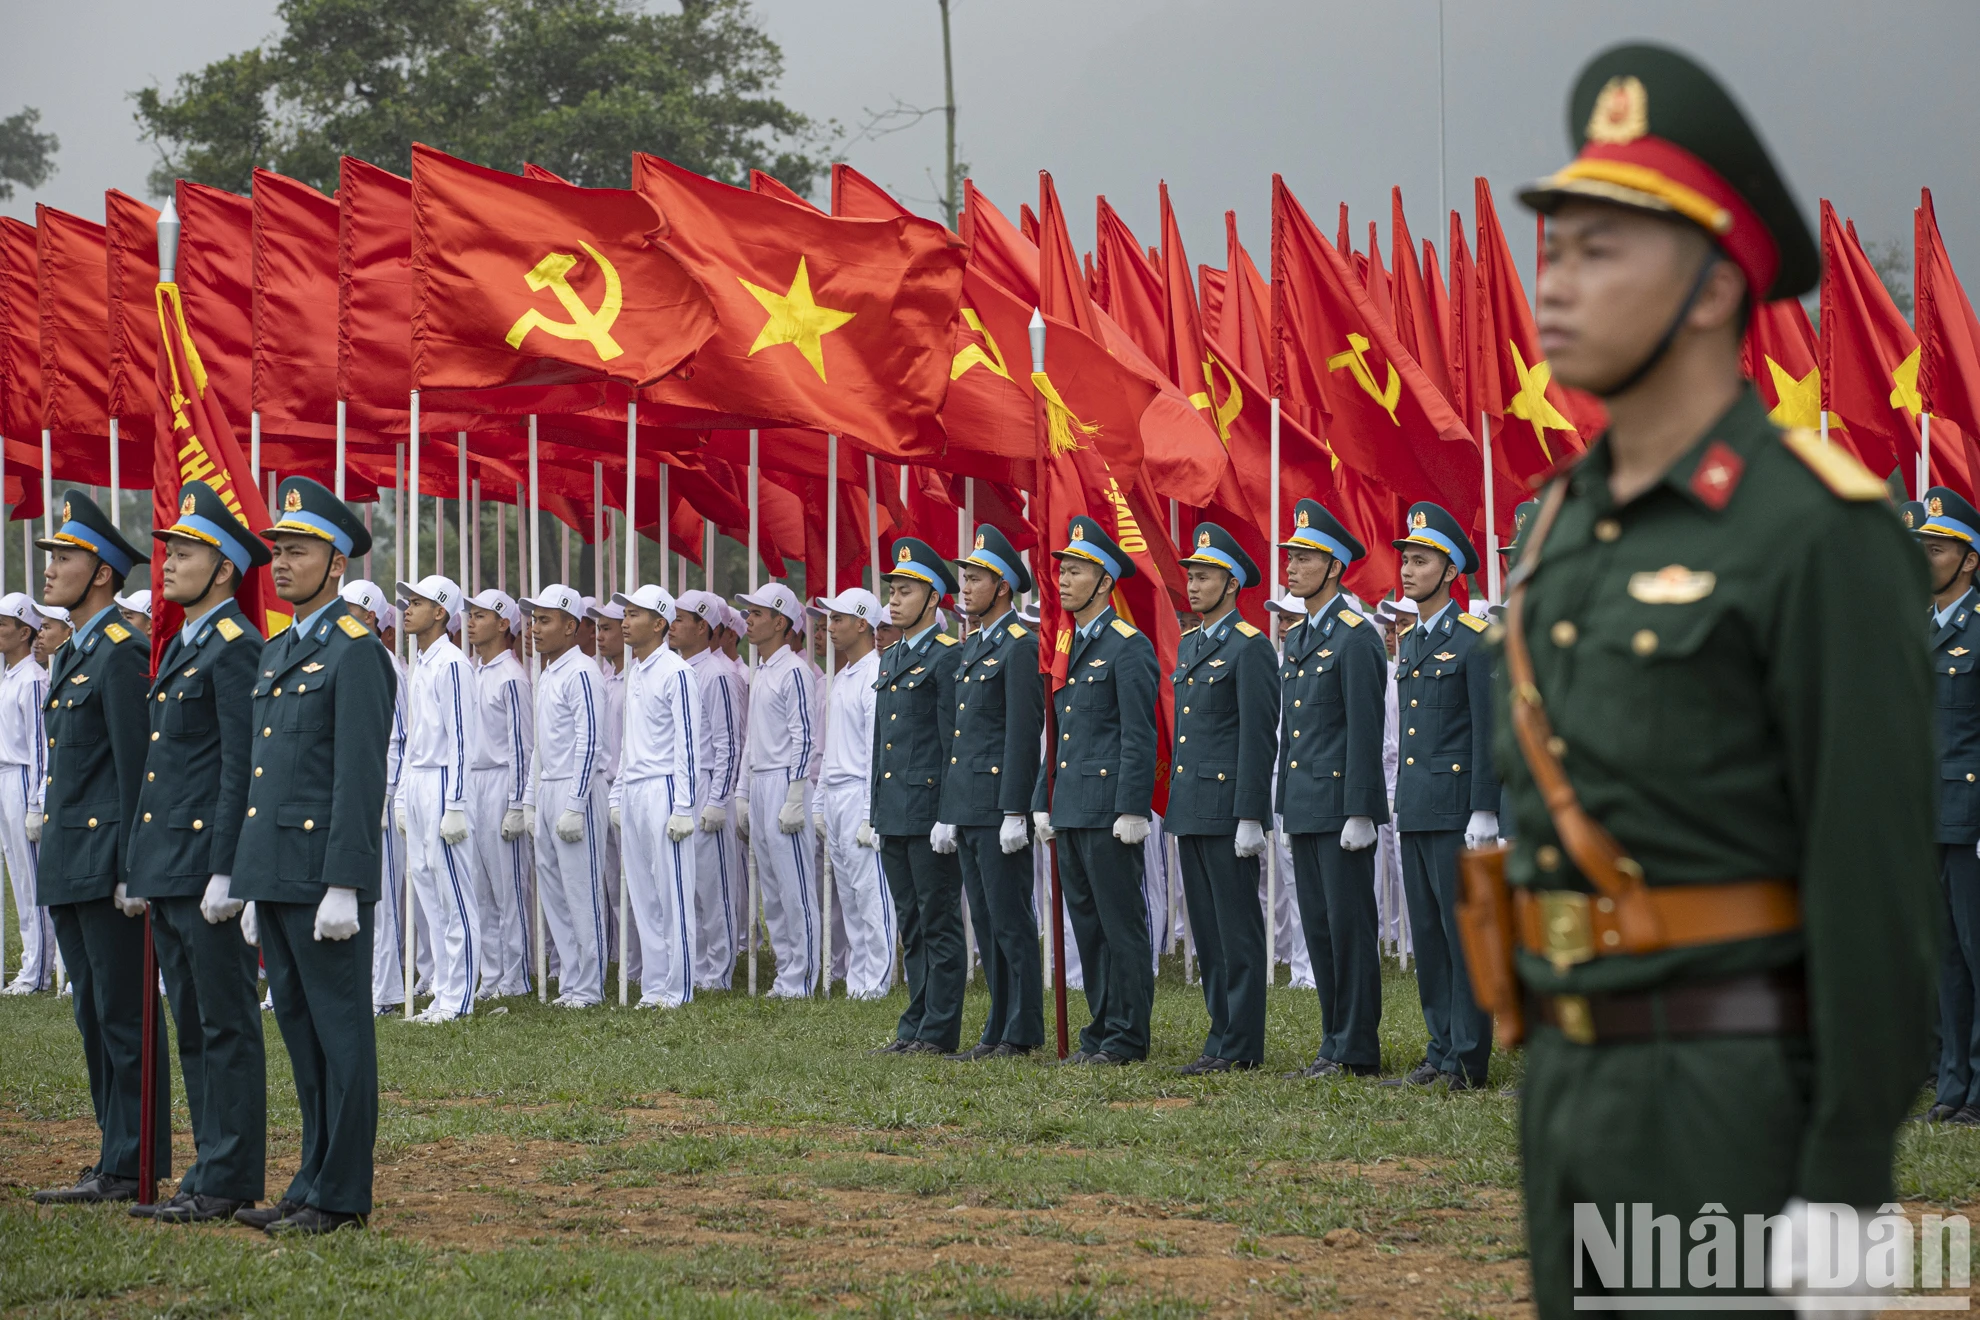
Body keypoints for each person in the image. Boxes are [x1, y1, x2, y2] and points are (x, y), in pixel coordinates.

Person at [1503, 44, 1937, 1313]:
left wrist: (1848, 1183)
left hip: (1731, 1099)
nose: (1555, 284)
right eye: (1553, 247)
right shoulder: (1557, 526)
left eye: (1600, 251)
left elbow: (1872, 878)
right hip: (1571, 1088)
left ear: (1710, 286)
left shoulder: (1816, 531)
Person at [232, 477, 393, 1235]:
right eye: (279, 552)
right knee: (300, 1037)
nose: (283, 564)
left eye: (298, 552)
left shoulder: (355, 650)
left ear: (336, 564)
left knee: (340, 1037)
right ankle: (308, 1181)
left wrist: (345, 885)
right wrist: (251, 881)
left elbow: (358, 777)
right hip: (280, 875)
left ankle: (342, 1194)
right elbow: (266, 777)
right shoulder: (278, 649)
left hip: (323, 877)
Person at [121, 481, 269, 1223]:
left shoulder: (236, 649)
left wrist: (227, 868)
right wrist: (142, 864)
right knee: (191, 1023)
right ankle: (208, 1167)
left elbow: (240, 765)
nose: (167, 563)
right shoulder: (184, 643)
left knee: (225, 1022)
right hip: (170, 865)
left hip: (203, 867)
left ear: (222, 569)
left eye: (184, 552)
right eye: (169, 550)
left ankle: (231, 1174)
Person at [28, 492, 165, 1206]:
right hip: (70, 862)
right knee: (93, 1014)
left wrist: (133, 866)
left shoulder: (120, 653)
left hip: (108, 864)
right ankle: (114, 1153)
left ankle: (133, 1161)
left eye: (66, 559)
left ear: (104, 574)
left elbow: (139, 766)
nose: (50, 571)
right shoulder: (74, 654)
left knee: (123, 1014)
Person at [1031, 516, 1159, 1065]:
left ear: (1105, 581)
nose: (1063, 578)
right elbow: (1059, 731)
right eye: (1063, 568)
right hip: (1073, 806)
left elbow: (1138, 734)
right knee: (1088, 927)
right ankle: (1102, 1028)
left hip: (1109, 810)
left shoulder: (1127, 647)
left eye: (1077, 570)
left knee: (1119, 925)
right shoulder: (1070, 642)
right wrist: (1043, 798)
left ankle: (1127, 1035)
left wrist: (1132, 808)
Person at [1275, 500, 1390, 1079]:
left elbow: (1365, 731)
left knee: (1349, 930)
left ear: (1335, 566)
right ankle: (1331, 1042)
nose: (1291, 566)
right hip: (1304, 806)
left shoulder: (1356, 637)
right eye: (1291, 556)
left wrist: (1361, 810)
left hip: (1342, 808)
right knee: (1318, 931)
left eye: (1305, 557)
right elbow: (1295, 733)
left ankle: (1357, 1047)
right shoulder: (1299, 638)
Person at [1385, 502, 1498, 1091]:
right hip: (1418, 806)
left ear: (1450, 571)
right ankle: (1440, 1048)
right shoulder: (1412, 640)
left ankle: (1469, 1058)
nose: (1407, 569)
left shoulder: (1475, 639)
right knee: (1428, 936)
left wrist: (1485, 806)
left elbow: (1486, 727)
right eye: (1405, 558)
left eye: (1421, 560)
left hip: (1457, 808)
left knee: (1462, 935)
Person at [1167, 523, 1279, 1075]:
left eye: (1204, 576)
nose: (1192, 584)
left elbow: (1258, 737)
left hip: (1228, 810)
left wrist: (1250, 815)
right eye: (1190, 575)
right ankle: (1219, 1035)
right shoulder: (1192, 643)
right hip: (1193, 807)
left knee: (1237, 931)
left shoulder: (1250, 648)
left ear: (1231, 584)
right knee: (1208, 934)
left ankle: (1242, 1043)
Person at [938, 526, 1045, 1059]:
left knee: (1010, 920)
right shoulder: (975, 644)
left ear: (1003, 586)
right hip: (970, 803)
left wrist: (1014, 810)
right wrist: (949, 809)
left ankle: (1022, 1028)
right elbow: (964, 733)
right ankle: (997, 1027)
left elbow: (1022, 735)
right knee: (985, 921)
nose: (965, 586)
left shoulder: (1020, 647)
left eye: (975, 578)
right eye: (964, 576)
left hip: (998, 805)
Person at [868, 541, 965, 1050]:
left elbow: (953, 741)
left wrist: (949, 814)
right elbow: (885, 744)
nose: (894, 600)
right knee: (911, 922)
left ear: (933, 599)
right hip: (894, 810)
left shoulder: (948, 657)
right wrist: (875, 811)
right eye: (892, 591)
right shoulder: (893, 657)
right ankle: (915, 1026)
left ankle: (940, 1028)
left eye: (906, 591)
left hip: (928, 811)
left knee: (938, 919)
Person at [393, 575, 482, 1022]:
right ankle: (444, 991)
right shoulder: (423, 662)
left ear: (441, 612)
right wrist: (406, 795)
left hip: (447, 779)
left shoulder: (450, 663)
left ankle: (460, 996)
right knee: (428, 887)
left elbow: (463, 738)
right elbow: (412, 740)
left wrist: (457, 804)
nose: (407, 609)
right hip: (423, 779)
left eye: (418, 602)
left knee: (455, 894)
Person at [609, 584, 701, 1008]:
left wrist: (684, 805)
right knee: (644, 895)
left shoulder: (677, 671)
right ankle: (654, 986)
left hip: (665, 788)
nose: (625, 622)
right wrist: (618, 790)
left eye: (634, 614)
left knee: (673, 894)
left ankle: (678, 989)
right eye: (625, 614)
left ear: (659, 623)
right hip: (636, 790)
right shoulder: (636, 672)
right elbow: (630, 741)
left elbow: (688, 744)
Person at [1921, 489, 1980, 1126]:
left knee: (1976, 949)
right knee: (1942, 956)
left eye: (1935, 548)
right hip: (1922, 817)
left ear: (1968, 561)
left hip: (1970, 818)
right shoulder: (1912, 624)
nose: (1923, 558)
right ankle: (1952, 1085)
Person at [733, 582, 823, 999]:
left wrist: (794, 796)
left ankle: (802, 976)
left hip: (788, 781)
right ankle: (786, 970)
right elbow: (752, 738)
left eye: (757, 614)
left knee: (795, 884)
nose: (748, 621)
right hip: (762, 779)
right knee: (771, 884)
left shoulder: (796, 671)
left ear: (781, 622)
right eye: (748, 613)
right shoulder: (764, 670)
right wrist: (743, 792)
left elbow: (804, 737)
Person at [518, 584, 606, 1008]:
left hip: (577, 789)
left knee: (582, 891)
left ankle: (589, 985)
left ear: (571, 626)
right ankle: (572, 980)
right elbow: (540, 744)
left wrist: (575, 804)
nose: (535, 628)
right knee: (555, 892)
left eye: (545, 619)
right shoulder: (549, 672)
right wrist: (531, 799)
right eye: (534, 620)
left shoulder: (583, 671)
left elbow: (589, 742)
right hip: (551, 786)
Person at [813, 587, 893, 1000]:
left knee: (870, 890)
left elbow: (874, 750)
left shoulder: (876, 674)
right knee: (848, 892)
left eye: (839, 618)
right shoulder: (842, 676)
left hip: (862, 791)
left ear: (863, 623)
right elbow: (831, 746)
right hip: (839, 793)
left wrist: (868, 812)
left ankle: (876, 980)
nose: (830, 626)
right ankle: (859, 978)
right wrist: (819, 801)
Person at [342, 580, 416, 1014]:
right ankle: (367, 982)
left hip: (381, 797)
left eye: (349, 609)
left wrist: (387, 793)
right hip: (355, 793)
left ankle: (386, 990)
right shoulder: (348, 658)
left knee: (384, 894)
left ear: (369, 615)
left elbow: (401, 737)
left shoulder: (386, 663)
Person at [672, 590, 744, 990]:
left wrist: (718, 800)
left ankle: (717, 971)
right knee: (689, 880)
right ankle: (697, 965)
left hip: (708, 781)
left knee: (713, 886)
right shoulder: (681, 668)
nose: (673, 626)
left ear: (703, 626)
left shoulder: (717, 673)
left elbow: (728, 743)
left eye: (681, 619)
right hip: (684, 780)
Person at [463, 589, 533, 999]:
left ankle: (516, 976)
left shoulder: (511, 676)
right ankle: (491, 975)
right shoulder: (477, 671)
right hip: (474, 782)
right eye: (469, 614)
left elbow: (520, 745)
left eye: (481, 615)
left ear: (504, 623)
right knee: (481, 886)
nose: (471, 621)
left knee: (509, 888)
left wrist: (516, 803)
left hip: (501, 780)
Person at [0, 593, 50, 995]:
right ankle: (30, 966)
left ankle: (37, 971)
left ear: (24, 631)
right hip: (4, 778)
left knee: (33, 880)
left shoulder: (33, 678)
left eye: (4, 624)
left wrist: (37, 801)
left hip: (21, 780)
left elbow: (39, 744)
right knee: (17, 876)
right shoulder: (9, 674)